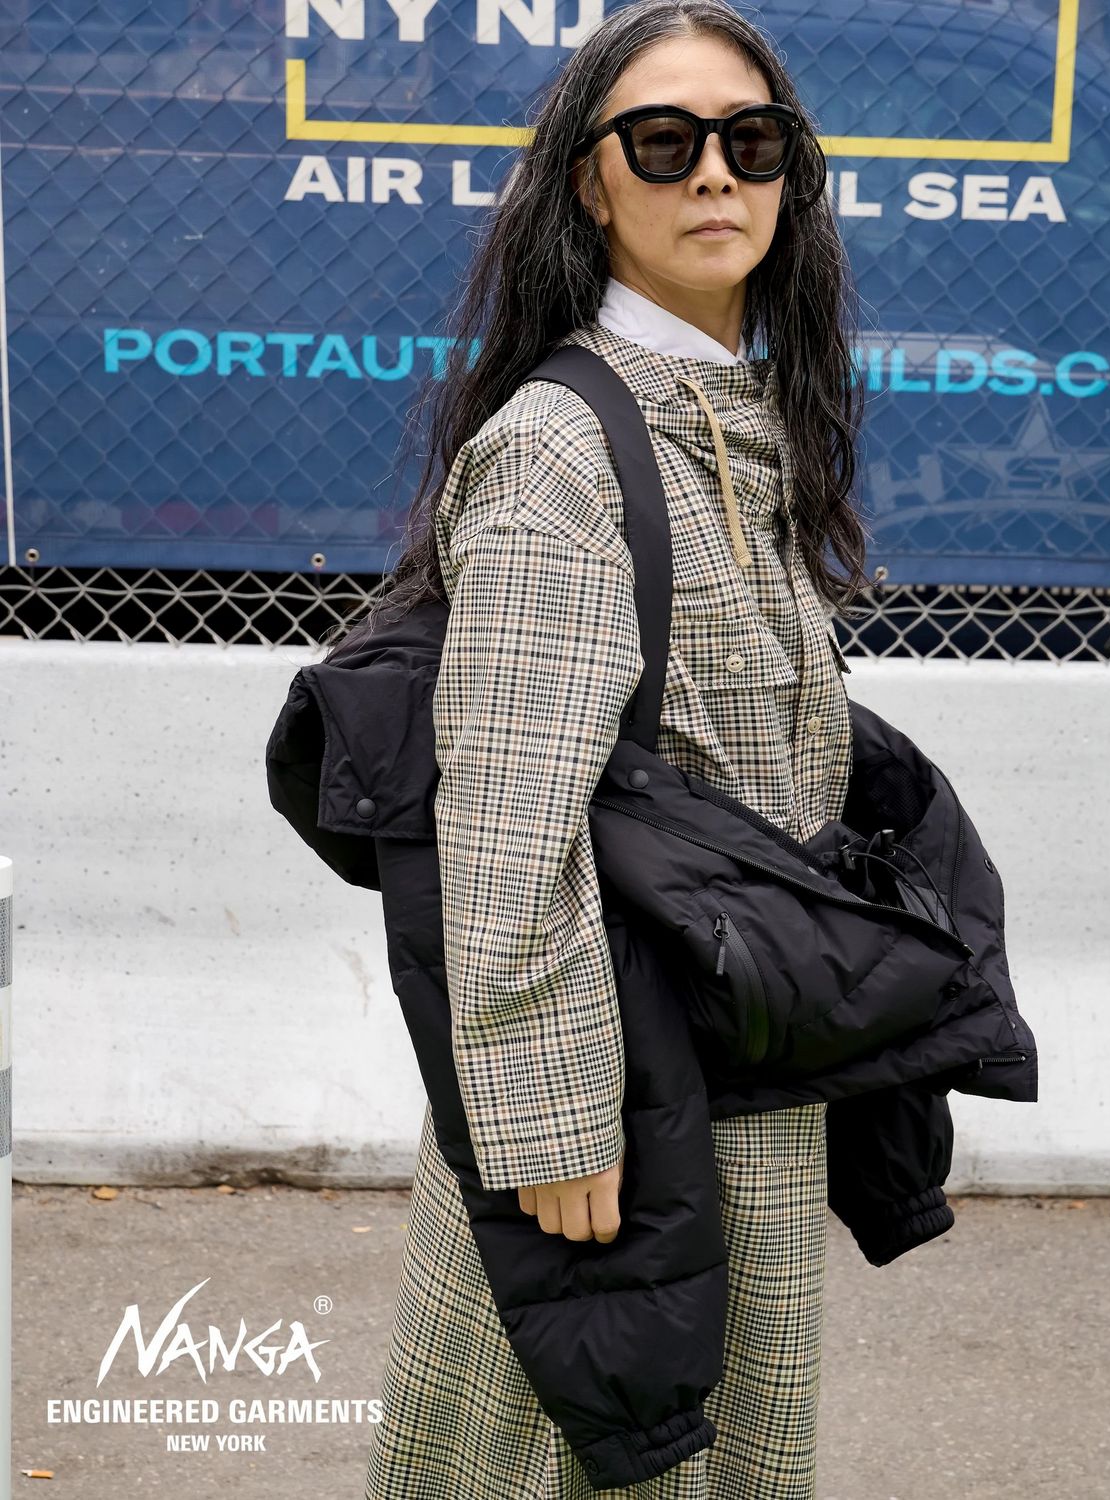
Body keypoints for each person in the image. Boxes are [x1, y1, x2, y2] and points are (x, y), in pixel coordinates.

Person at [357, 1, 871, 1493]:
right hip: (618, 1106)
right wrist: (551, 1127)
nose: (714, 172)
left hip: (729, 1073)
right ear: (591, 183)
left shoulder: (733, 409)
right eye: (662, 140)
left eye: (752, 140)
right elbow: (509, 814)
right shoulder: (565, 447)